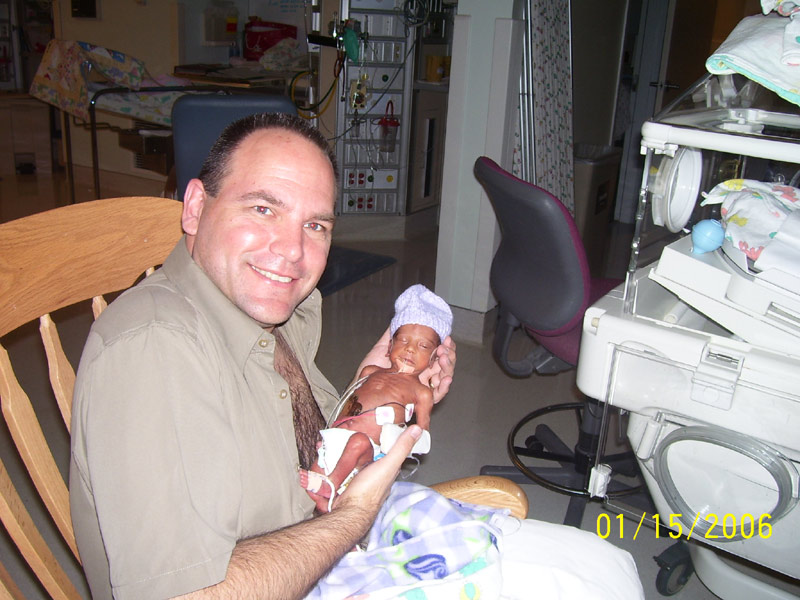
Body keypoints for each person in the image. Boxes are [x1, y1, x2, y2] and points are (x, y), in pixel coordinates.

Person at [69, 112, 456, 600]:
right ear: (195, 208)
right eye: (263, 209)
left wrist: (369, 393)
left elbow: (299, 460)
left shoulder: (269, 316)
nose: (292, 250)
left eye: (314, 225)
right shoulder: (152, 350)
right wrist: (353, 517)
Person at [300, 284, 453, 513]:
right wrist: (332, 429)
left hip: (367, 449)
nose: (410, 349)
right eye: (403, 341)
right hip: (337, 436)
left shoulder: (421, 392)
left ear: (433, 360)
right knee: (312, 480)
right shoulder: (370, 371)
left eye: (422, 346)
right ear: (389, 347)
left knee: (358, 442)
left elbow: (421, 434)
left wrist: (397, 441)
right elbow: (349, 402)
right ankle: (325, 497)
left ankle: (331, 483)